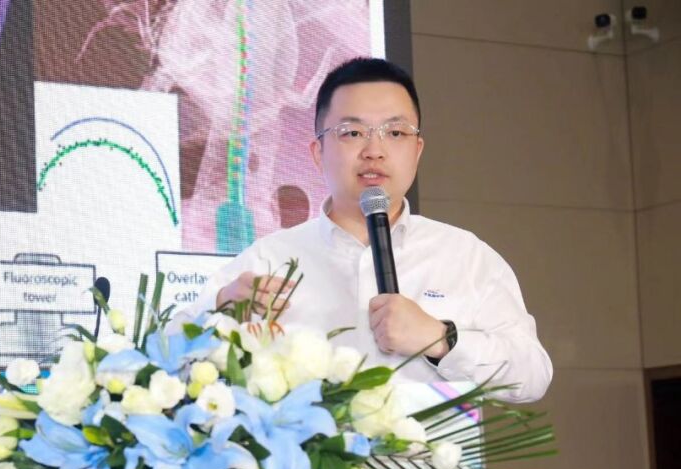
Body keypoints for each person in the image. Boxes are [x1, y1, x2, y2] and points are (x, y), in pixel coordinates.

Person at [182, 57, 552, 404]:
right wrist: (222, 309)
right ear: (317, 152)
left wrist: (441, 339)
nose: (374, 150)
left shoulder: (464, 256)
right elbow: (170, 361)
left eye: (395, 132)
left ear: (417, 150)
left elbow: (533, 375)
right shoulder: (269, 259)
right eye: (353, 132)